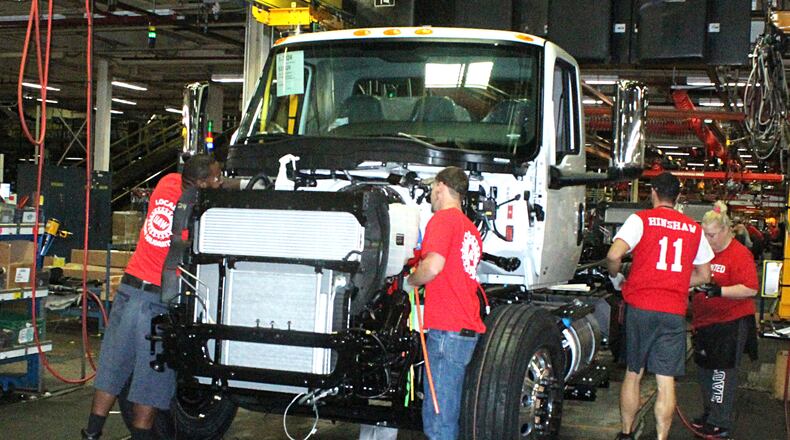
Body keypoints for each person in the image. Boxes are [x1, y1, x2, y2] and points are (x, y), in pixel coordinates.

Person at [81, 154, 222, 440]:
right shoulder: (195, 218)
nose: (220, 182)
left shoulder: (167, 182)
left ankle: (92, 433)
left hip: (129, 289)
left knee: (113, 364)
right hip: (156, 301)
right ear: (201, 183)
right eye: (216, 178)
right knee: (152, 377)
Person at [606, 172, 713, 440]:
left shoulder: (640, 220)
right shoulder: (693, 228)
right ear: (677, 197)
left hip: (640, 307)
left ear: (653, 192)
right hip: (673, 311)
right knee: (666, 381)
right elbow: (704, 276)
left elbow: (613, 254)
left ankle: (626, 433)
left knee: (634, 373)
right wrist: (676, 282)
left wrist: (616, 276)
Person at [407, 166, 484, 440]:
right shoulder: (470, 228)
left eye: (431, 189)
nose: (430, 194)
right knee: (446, 412)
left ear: (440, 187)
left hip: (447, 331)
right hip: (463, 329)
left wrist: (413, 280)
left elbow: (433, 266)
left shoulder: (442, 220)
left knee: (439, 420)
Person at [691, 201, 758, 439]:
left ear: (726, 230)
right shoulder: (704, 254)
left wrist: (719, 291)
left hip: (731, 322)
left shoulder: (740, 254)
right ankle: (711, 413)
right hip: (705, 322)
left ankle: (720, 421)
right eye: (704, 235)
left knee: (722, 374)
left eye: (712, 235)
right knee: (704, 370)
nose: (708, 241)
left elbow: (750, 289)